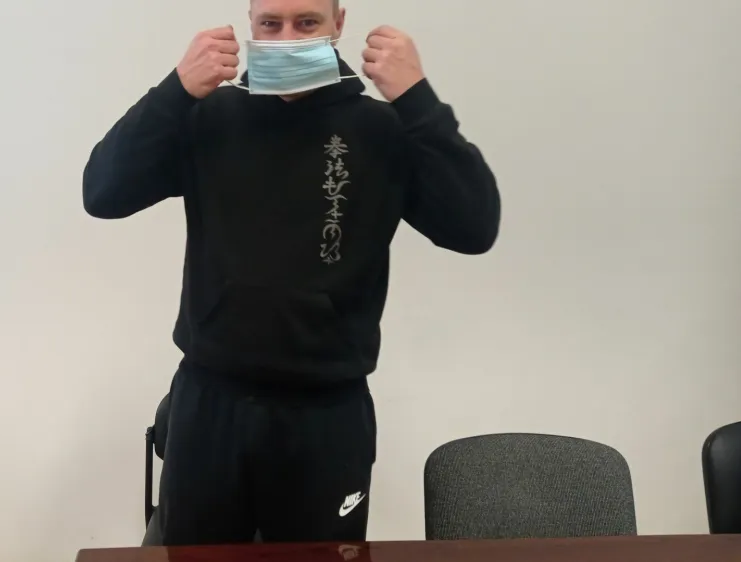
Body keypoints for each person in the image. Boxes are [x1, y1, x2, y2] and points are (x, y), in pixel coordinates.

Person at [82, 0, 500, 546]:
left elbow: (473, 228)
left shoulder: (380, 129)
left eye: (307, 23)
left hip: (327, 414)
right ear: (250, 24)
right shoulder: (209, 117)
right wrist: (175, 90)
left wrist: (418, 99)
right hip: (211, 404)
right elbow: (103, 193)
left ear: (338, 24)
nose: (287, 39)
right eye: (270, 24)